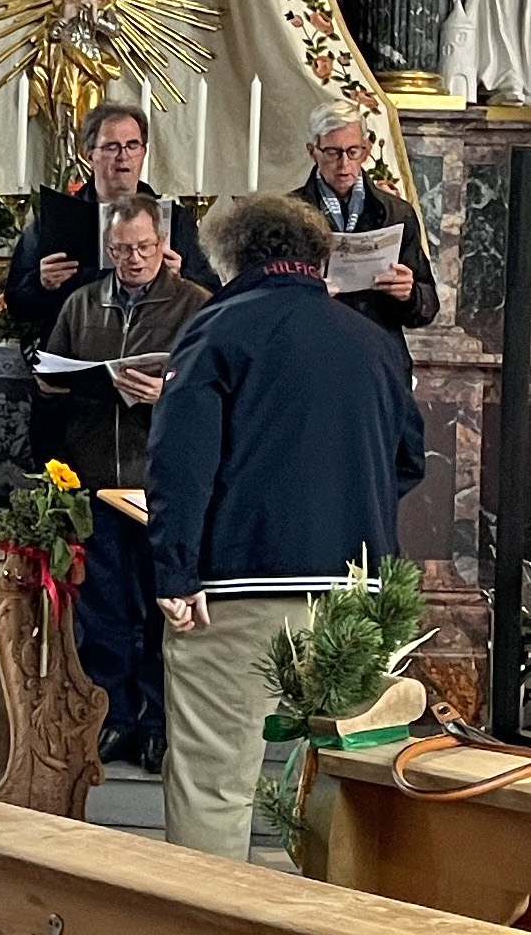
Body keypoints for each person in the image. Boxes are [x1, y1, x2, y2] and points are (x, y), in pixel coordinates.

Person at [147, 194, 424, 860]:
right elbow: (409, 461)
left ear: (228, 259)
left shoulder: (217, 330)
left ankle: (208, 912)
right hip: (359, 597)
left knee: (215, 782)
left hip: (240, 588)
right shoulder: (373, 342)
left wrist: (176, 573)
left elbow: (181, 462)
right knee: (347, 783)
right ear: (317, 259)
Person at [38, 194, 210, 775]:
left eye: (142, 248)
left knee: (164, 607)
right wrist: (58, 382)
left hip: (160, 484)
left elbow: (219, 391)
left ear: (163, 244)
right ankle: (113, 717)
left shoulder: (195, 304)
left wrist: (169, 396)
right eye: (120, 250)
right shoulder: (83, 302)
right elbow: (51, 374)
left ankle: (160, 723)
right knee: (104, 609)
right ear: (107, 249)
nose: (133, 259)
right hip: (95, 477)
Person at [5, 102, 215, 332]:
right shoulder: (58, 219)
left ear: (143, 152)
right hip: (75, 341)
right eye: (112, 147)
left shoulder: (174, 219)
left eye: (132, 145)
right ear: (89, 155)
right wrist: (42, 284)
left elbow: (212, 296)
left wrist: (180, 279)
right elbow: (16, 305)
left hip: (153, 342)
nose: (123, 156)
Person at [286, 100, 435, 370]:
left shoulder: (396, 213)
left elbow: (428, 304)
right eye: (332, 152)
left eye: (352, 151)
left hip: (377, 355)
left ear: (366, 150)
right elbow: (266, 298)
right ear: (313, 151)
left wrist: (409, 293)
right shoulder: (288, 214)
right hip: (312, 356)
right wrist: (303, 293)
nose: (344, 164)